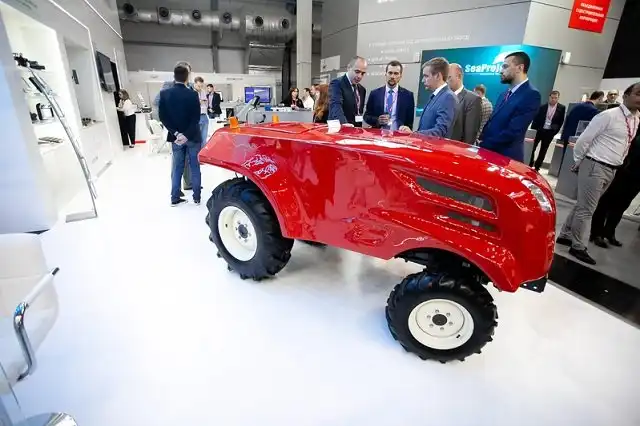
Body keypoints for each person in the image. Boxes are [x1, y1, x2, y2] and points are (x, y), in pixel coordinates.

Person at [556, 82, 640, 265]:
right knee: (587, 209)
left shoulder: (636, 119)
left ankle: (565, 234)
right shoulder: (608, 116)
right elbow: (583, 141)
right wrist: (579, 162)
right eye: (638, 94)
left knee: (584, 205)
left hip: (612, 168)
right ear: (626, 96)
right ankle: (578, 246)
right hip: (595, 165)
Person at [479, 51, 541, 162]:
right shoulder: (504, 94)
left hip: (506, 159)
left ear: (520, 68)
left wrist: (485, 144)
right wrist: (481, 139)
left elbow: (513, 131)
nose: (501, 71)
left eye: (505, 66)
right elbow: (493, 121)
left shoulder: (531, 95)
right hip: (488, 154)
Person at [158, 64, 202, 207]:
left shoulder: (165, 94)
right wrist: (186, 135)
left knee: (177, 167)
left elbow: (163, 117)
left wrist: (176, 133)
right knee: (195, 166)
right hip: (192, 137)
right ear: (187, 77)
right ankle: (197, 197)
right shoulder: (193, 94)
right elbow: (196, 118)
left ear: (174, 76)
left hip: (175, 138)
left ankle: (175, 198)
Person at [590, 130, 640, 248]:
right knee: (606, 201)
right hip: (622, 169)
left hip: (637, 176)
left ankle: (609, 231)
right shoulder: (634, 126)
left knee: (622, 205)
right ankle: (596, 233)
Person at [155, 61, 194, 193]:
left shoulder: (190, 87)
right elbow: (157, 102)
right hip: (176, 130)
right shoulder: (168, 85)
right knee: (178, 161)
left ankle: (188, 183)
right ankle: (176, 190)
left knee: (188, 158)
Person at [403, 57, 456, 137]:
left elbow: (440, 131)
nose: (423, 80)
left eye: (426, 76)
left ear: (437, 76)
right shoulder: (436, 95)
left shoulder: (448, 97)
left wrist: (414, 134)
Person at [364, 60, 415, 131]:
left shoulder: (408, 96)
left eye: (396, 73)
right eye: (390, 73)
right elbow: (366, 116)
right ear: (386, 74)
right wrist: (377, 120)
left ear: (400, 76)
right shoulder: (375, 94)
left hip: (398, 134)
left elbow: (409, 123)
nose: (392, 76)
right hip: (378, 134)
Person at [529, 90, 566, 170]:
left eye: (555, 98)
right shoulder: (542, 107)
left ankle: (537, 167)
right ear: (549, 97)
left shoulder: (562, 108)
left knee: (543, 150)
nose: (553, 99)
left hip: (549, 132)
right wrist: (534, 131)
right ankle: (530, 163)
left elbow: (560, 121)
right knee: (533, 148)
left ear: (558, 98)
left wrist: (554, 132)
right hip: (539, 131)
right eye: (552, 97)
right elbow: (536, 119)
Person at [446, 63, 482, 144]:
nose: (446, 81)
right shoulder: (442, 97)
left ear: (459, 76)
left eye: (449, 77)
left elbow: (469, 136)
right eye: (445, 78)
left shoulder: (472, 99)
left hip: (456, 148)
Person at [329, 56, 368, 127]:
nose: (360, 76)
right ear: (349, 67)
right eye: (357, 72)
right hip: (340, 128)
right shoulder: (337, 83)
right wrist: (343, 123)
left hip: (356, 130)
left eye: (363, 73)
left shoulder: (362, 89)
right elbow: (336, 105)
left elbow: (359, 111)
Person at [194, 76, 209, 147]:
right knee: (197, 139)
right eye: (198, 86)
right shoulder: (191, 92)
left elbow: (206, 103)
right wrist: (200, 102)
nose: (200, 88)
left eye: (201, 86)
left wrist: (202, 101)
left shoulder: (203, 91)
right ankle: (197, 153)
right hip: (196, 117)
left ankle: (202, 152)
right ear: (195, 84)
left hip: (204, 116)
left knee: (204, 139)